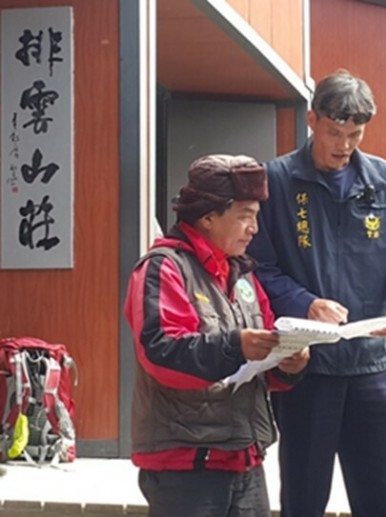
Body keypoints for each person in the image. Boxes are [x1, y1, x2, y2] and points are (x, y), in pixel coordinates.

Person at [247, 69, 386, 516]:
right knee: (304, 497)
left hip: (372, 366)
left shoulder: (385, 180)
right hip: (308, 367)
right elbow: (259, 268)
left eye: (355, 134)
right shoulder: (277, 181)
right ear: (312, 120)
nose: (343, 145)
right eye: (333, 132)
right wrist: (305, 302)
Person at [124, 154, 310, 517]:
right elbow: (161, 353)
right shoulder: (163, 268)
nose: (254, 228)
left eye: (256, 215)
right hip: (184, 465)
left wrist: (289, 362)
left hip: (245, 456)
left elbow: (266, 353)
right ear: (208, 217)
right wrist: (236, 345)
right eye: (245, 215)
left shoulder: (243, 276)